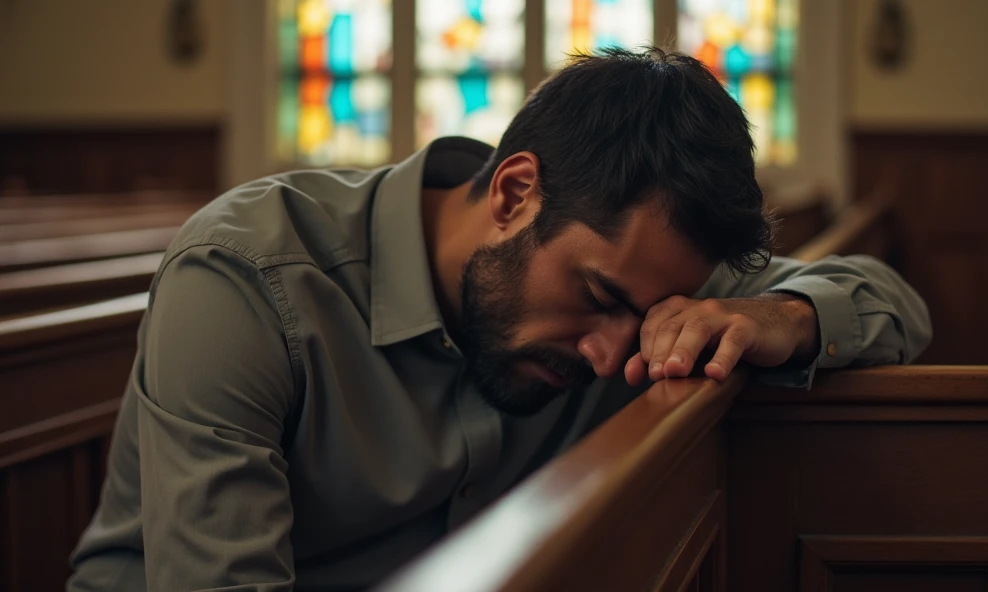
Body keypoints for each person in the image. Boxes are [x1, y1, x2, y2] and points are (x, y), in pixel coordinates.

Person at [68, 48, 931, 591]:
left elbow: (892, 300)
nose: (610, 356)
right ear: (516, 193)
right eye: (599, 299)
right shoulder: (246, 281)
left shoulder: (643, 276)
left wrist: (784, 315)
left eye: (649, 314)